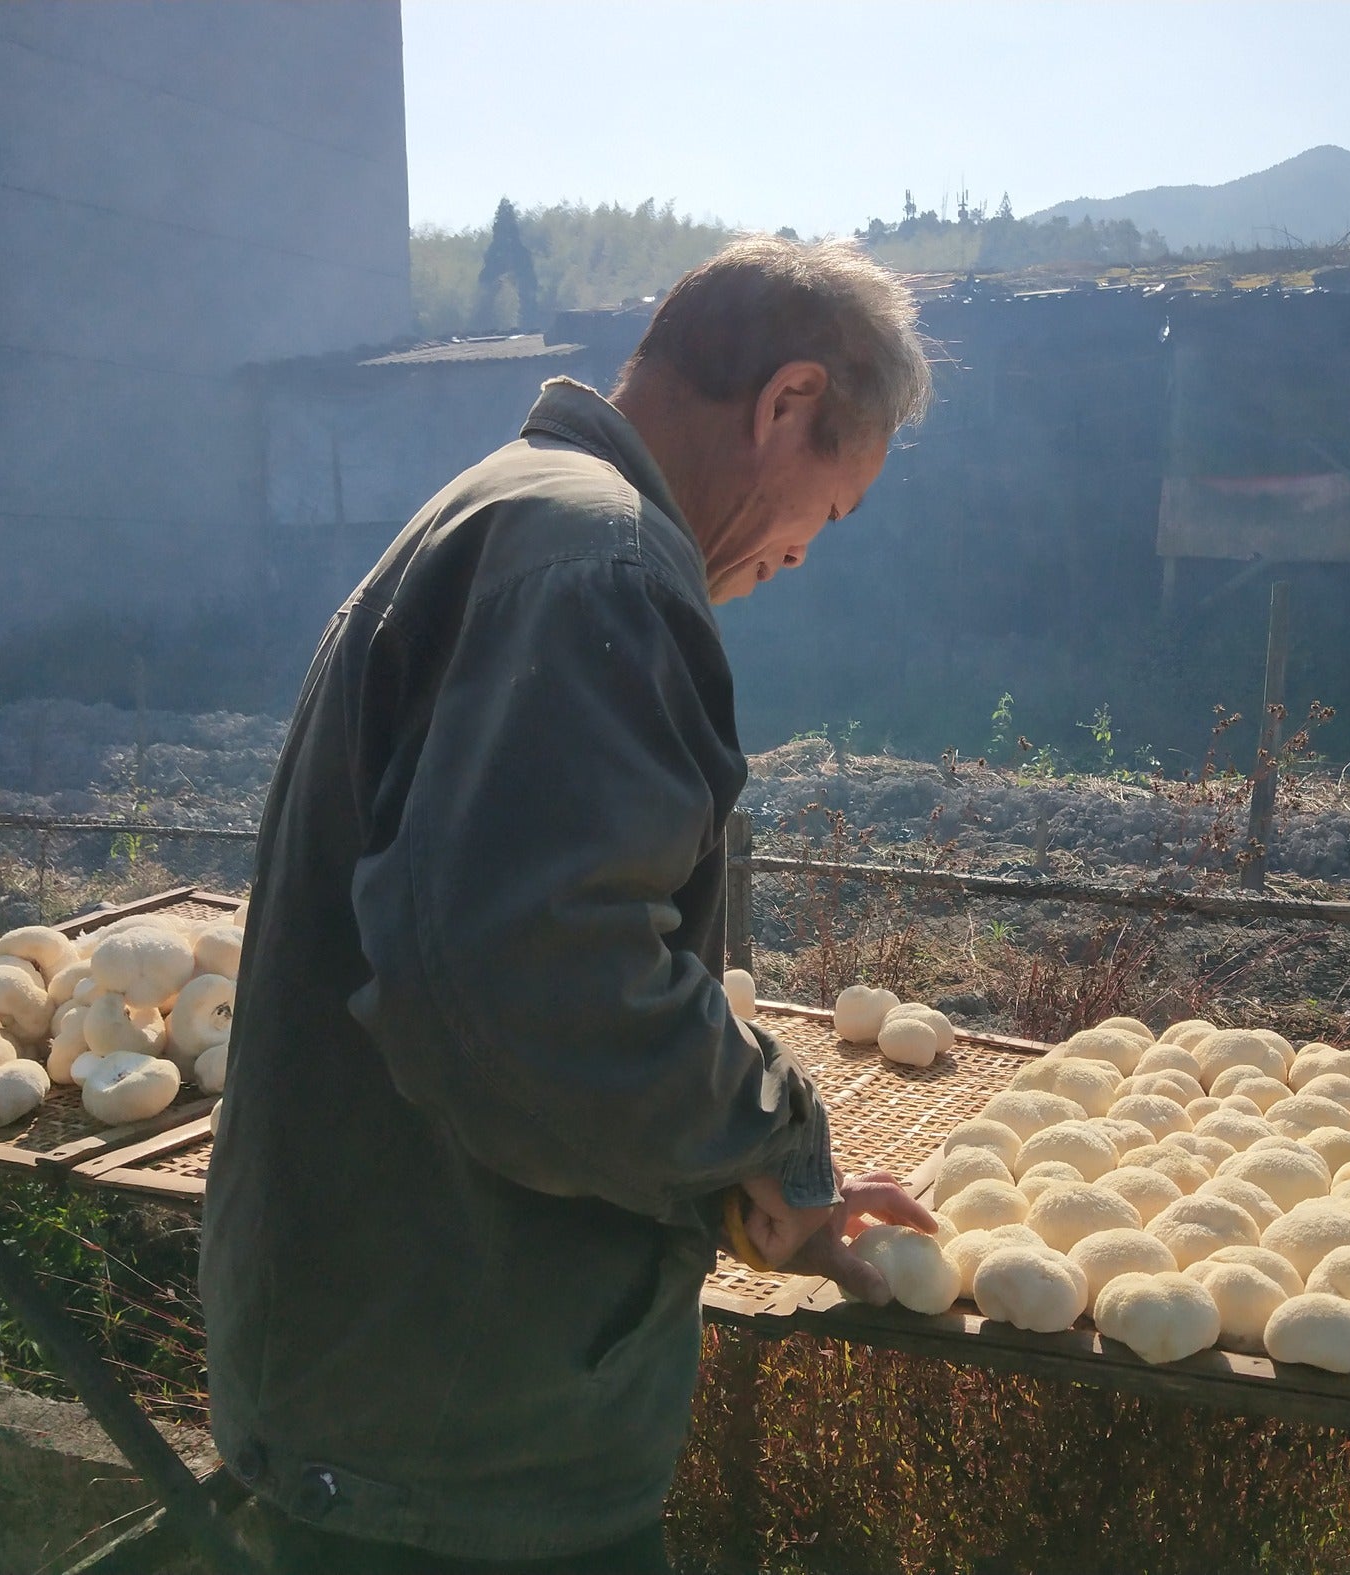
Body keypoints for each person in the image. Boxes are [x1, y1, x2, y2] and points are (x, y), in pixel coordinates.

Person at [203, 237, 936, 1573]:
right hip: (453, 1445)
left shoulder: (507, 515)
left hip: (389, 1388)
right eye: (829, 509)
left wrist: (720, 1179)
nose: (800, 557)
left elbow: (489, 960)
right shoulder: (598, 563)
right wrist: (771, 1138)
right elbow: (538, 979)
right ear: (786, 403)